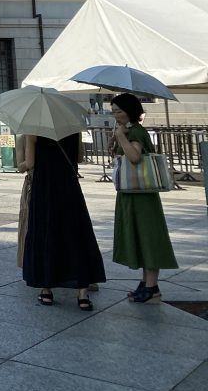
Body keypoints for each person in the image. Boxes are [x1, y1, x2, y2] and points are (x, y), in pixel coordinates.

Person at [17, 132, 105, 309]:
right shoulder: (73, 130)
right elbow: (79, 157)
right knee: (76, 235)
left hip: (45, 188)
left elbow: (30, 163)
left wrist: (21, 165)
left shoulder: (34, 132)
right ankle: (82, 294)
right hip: (69, 186)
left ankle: (46, 289)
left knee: (45, 233)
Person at [110, 92, 178, 303]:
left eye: (119, 111)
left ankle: (152, 286)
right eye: (113, 112)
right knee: (139, 236)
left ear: (130, 111)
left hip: (141, 195)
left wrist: (121, 137)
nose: (116, 116)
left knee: (148, 237)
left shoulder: (136, 131)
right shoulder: (128, 130)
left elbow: (135, 157)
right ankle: (146, 283)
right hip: (131, 193)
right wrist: (116, 140)